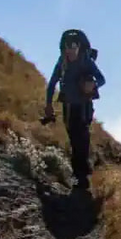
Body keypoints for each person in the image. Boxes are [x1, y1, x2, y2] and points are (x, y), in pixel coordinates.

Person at [43, 29, 105, 190]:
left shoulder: (86, 61)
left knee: (82, 139)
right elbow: (51, 84)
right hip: (69, 107)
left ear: (78, 46)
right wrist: (48, 105)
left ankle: (81, 177)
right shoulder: (62, 62)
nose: (69, 50)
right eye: (66, 47)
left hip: (84, 107)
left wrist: (93, 84)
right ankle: (80, 173)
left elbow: (101, 78)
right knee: (74, 139)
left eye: (72, 46)